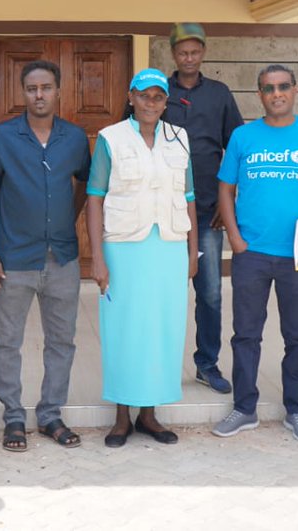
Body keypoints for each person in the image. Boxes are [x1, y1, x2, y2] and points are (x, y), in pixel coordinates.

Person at [213, 64, 298, 443]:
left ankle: (296, 411)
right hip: (252, 252)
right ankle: (244, 408)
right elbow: (225, 191)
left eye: (284, 86)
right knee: (245, 335)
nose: (277, 93)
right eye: (269, 88)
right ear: (260, 95)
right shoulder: (243, 136)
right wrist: (235, 239)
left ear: (296, 90)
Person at [0, 59, 92, 452]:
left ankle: (50, 414)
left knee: (62, 341)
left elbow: (83, 185)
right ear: (22, 93)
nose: (39, 95)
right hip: (13, 259)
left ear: (59, 91)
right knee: (7, 340)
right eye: (31, 89)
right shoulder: (3, 137)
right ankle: (13, 417)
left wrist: (66, 221)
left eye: (46, 87)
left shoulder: (74, 138)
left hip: (62, 258)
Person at [123, 23, 243, 394]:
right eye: (182, 52)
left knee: (209, 293)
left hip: (207, 211)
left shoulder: (220, 94)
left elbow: (235, 151)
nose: (188, 58)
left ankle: (206, 363)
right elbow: (127, 136)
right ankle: (155, 363)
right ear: (173, 54)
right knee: (158, 292)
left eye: (195, 52)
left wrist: (229, 203)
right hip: (158, 213)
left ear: (203, 53)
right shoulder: (158, 90)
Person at [88, 68, 198, 448]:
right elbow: (94, 197)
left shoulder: (179, 138)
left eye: (159, 97)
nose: (151, 102)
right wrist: (97, 257)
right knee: (125, 330)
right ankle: (122, 418)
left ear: (166, 102)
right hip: (123, 247)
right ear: (131, 97)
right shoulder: (110, 138)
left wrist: (191, 250)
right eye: (144, 95)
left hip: (168, 246)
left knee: (163, 329)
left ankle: (150, 416)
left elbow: (189, 198)